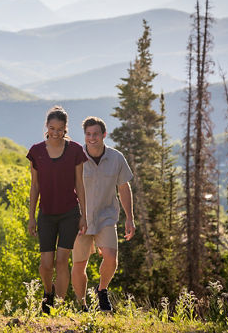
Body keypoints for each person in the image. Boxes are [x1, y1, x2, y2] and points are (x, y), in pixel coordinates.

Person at [27, 106, 88, 314]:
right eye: (52, 128)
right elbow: (34, 186)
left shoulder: (75, 150)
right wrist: (31, 217)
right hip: (45, 214)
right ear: (46, 126)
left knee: (62, 261)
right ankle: (48, 293)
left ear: (65, 129)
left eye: (60, 129)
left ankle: (58, 307)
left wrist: (84, 215)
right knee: (46, 264)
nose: (55, 132)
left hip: (70, 213)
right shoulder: (36, 151)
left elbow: (80, 184)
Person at [71, 116, 135, 312]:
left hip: (106, 217)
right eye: (88, 134)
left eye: (96, 134)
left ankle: (102, 290)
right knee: (79, 264)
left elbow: (124, 188)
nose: (92, 138)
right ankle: (81, 304)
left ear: (103, 135)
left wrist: (130, 218)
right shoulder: (75, 157)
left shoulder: (116, 158)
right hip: (80, 218)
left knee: (111, 258)